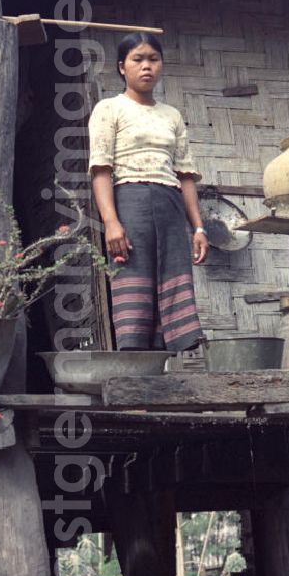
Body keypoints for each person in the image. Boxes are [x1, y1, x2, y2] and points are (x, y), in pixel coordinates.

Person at [88, 33, 208, 351]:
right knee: (134, 281)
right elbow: (101, 170)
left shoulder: (172, 116)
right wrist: (111, 222)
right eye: (137, 59)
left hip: (170, 205)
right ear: (121, 67)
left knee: (173, 282)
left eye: (153, 59)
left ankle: (172, 376)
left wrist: (197, 227)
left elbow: (185, 175)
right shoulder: (109, 109)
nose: (146, 67)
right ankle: (135, 375)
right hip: (130, 203)